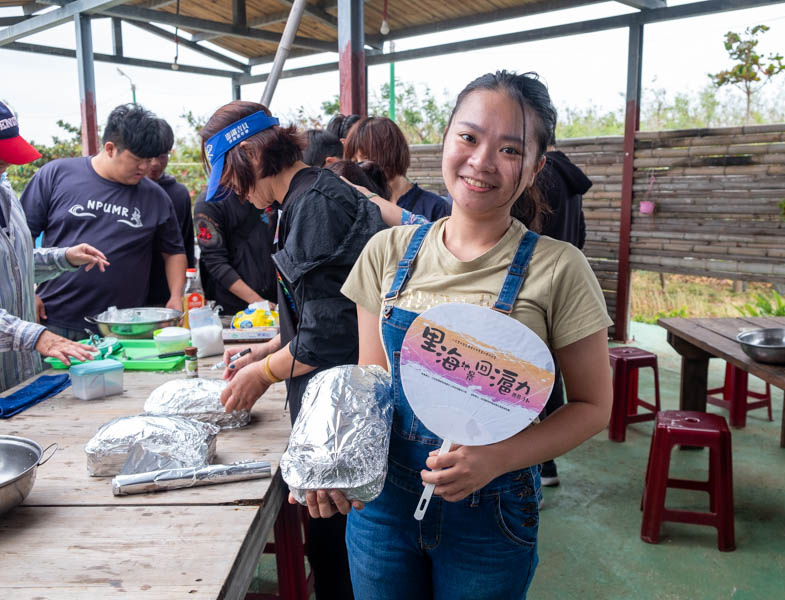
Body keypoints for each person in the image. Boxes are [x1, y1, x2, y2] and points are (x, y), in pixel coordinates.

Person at [310, 71, 614, 599]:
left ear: (536, 166)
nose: (481, 162)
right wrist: (331, 457)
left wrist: (496, 458)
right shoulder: (388, 252)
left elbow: (592, 405)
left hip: (492, 516)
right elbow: (371, 383)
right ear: (447, 138)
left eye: (510, 149)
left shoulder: (559, 268)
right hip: (382, 510)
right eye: (469, 138)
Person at [200, 101, 386, 600]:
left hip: (344, 413)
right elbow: (318, 311)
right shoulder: (300, 201)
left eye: (231, 176)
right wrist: (264, 351)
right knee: (328, 544)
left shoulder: (316, 206)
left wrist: (263, 375)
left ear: (249, 156)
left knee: (336, 553)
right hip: (330, 401)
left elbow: (329, 336)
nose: (233, 191)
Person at [21, 104, 187, 339]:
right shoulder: (57, 175)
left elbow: (173, 252)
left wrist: (175, 296)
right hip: (55, 320)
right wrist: (29, 292)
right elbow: (18, 240)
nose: (146, 167)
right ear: (110, 148)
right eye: (137, 159)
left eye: (149, 159)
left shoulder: (156, 196)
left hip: (124, 327)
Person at [0, 100, 109, 392]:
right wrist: (38, 337)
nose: (7, 165)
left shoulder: (6, 193)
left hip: (20, 376)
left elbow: (13, 265)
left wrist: (64, 258)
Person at [533, 142, 592, 487]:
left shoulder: (539, 176)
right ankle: (547, 466)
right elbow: (580, 235)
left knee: (530, 371)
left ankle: (539, 470)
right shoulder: (571, 180)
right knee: (548, 369)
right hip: (560, 280)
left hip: (530, 279)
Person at [344, 116, 452, 222]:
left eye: (366, 158)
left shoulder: (436, 208)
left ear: (391, 152)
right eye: (354, 161)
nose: (360, 166)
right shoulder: (358, 206)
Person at [193, 189, 277, 316]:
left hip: (277, 299)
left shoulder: (269, 190)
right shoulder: (209, 202)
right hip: (234, 307)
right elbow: (215, 261)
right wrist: (259, 303)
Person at [146, 119, 196, 306]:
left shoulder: (178, 193)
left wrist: (183, 293)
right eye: (148, 157)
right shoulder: (127, 189)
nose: (155, 164)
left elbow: (185, 245)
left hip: (168, 295)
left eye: (162, 156)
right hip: (131, 293)